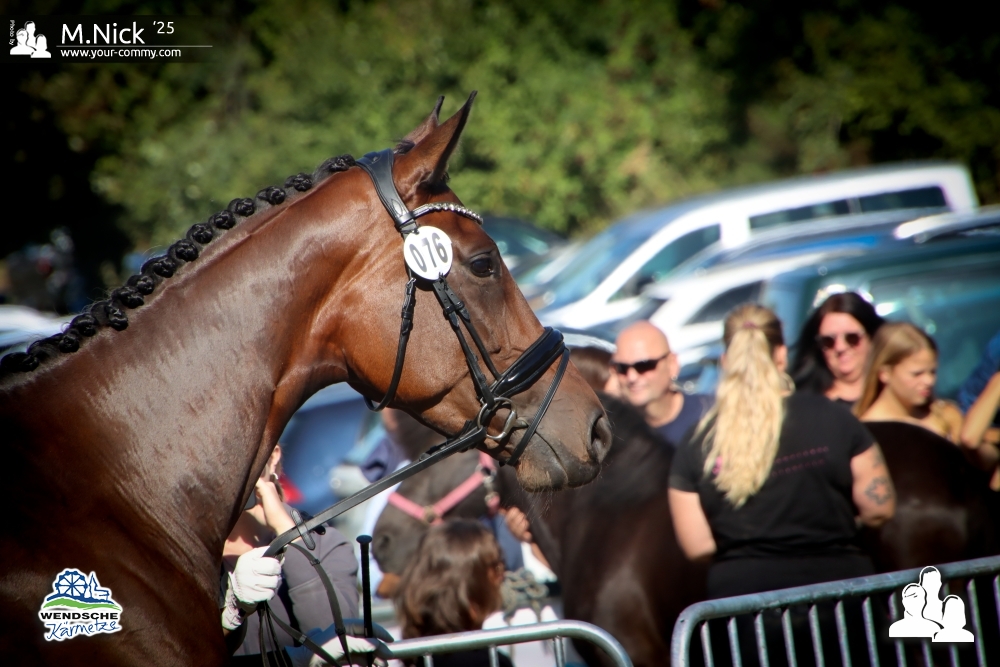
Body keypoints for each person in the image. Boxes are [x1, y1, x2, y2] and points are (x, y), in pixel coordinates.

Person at [668, 303, 896, 598]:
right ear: (781, 355)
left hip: (746, 609)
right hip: (839, 600)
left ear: (725, 361)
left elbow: (698, 546)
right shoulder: (834, 417)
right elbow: (879, 508)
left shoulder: (698, 440)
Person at [222, 444, 364, 665]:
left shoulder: (325, 543)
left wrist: (288, 533)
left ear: (273, 457)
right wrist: (230, 615)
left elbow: (337, 645)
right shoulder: (183, 548)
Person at [395, 520, 513, 667]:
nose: (502, 574)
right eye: (496, 565)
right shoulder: (487, 662)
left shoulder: (418, 655)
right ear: (470, 583)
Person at [853, 323, 965, 442]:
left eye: (932, 372)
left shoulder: (946, 417)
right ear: (884, 373)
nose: (929, 381)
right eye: (917, 374)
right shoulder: (868, 435)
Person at [610, 321, 713, 447]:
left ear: (672, 364)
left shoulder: (713, 415)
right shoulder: (613, 434)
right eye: (622, 368)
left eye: (644, 365)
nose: (632, 377)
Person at [790, 292, 885, 406]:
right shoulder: (805, 405)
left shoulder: (893, 397)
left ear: (872, 337)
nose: (840, 347)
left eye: (852, 338)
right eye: (828, 341)